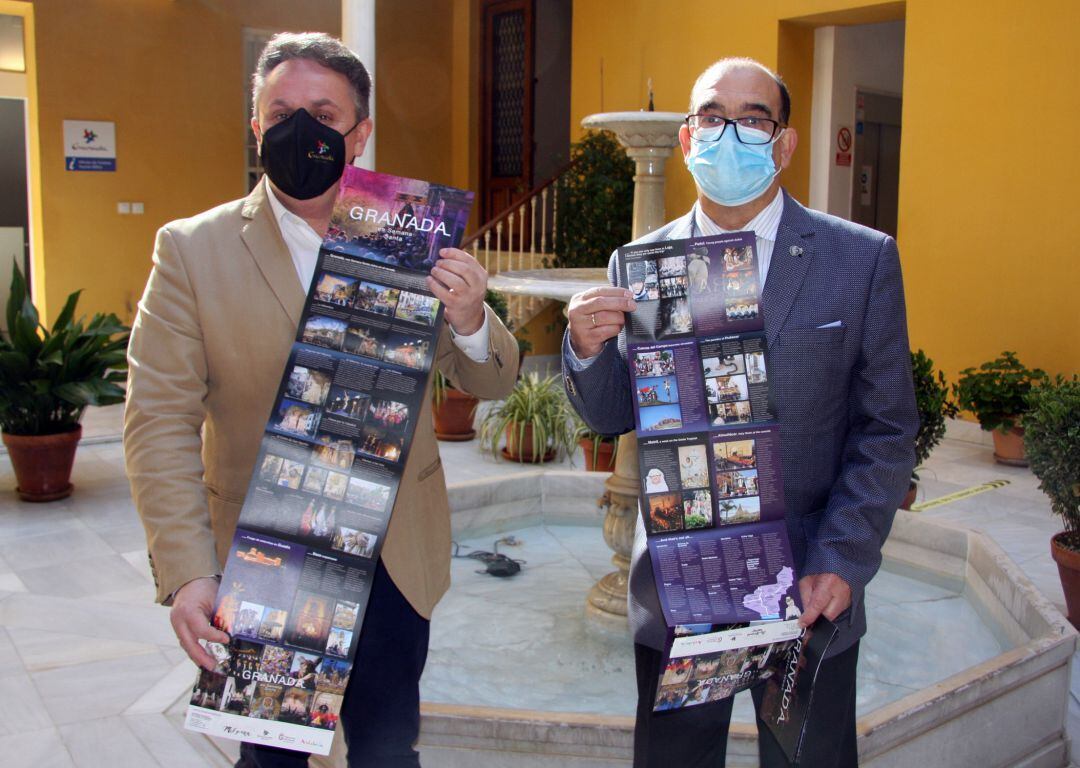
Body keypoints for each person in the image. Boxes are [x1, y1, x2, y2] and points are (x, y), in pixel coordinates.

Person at [123, 32, 519, 768]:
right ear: (255, 125)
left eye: (322, 113)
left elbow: (490, 381)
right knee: (270, 760)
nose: (298, 130)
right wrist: (186, 570)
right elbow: (157, 420)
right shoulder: (190, 249)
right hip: (268, 557)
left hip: (395, 557)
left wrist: (469, 320)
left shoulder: (408, 232)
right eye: (280, 111)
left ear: (359, 133)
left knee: (386, 749)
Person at [562, 57, 917, 768]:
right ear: (689, 140)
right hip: (681, 581)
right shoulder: (639, 263)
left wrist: (843, 559)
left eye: (754, 118)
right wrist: (583, 345)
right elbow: (609, 417)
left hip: (812, 585)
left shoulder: (861, 260)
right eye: (714, 117)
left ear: (784, 145)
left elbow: (887, 427)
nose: (732, 133)